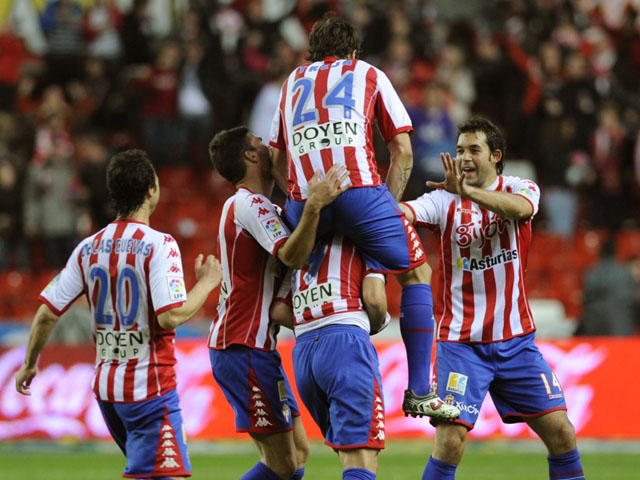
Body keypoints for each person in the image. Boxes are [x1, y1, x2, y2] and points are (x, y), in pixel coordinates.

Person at [269, 12, 458, 419]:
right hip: (359, 192)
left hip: (305, 201)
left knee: (289, 263)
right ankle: (420, 390)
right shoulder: (367, 73)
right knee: (417, 273)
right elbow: (403, 149)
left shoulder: (289, 84)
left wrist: (306, 199)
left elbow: (275, 159)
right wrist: (384, 208)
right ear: (353, 51)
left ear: (311, 51)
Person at [15, 149, 222, 479]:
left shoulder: (87, 248)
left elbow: (46, 314)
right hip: (149, 390)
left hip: (108, 393)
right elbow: (170, 317)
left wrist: (29, 364)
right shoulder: (159, 244)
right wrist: (209, 283)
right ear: (151, 190)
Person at [400, 117, 586, 480]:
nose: (464, 158)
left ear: (495, 155)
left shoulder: (521, 186)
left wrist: (468, 193)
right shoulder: (442, 200)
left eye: (473, 150)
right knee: (450, 441)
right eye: (459, 151)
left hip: (516, 343)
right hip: (462, 345)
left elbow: (520, 211)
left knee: (562, 434)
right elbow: (406, 213)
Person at [208, 126, 348, 480]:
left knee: (298, 453)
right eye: (260, 143)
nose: (270, 146)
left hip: (257, 347)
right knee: (284, 465)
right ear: (250, 156)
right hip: (241, 346)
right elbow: (292, 254)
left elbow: (275, 303)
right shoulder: (247, 203)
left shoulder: (265, 207)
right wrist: (314, 204)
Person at [270, 233, 389, 480]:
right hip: (344, 343)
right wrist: (374, 323)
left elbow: (279, 310)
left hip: (304, 353)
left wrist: (315, 319)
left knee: (347, 452)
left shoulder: (297, 250)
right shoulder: (365, 238)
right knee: (361, 460)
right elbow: (375, 300)